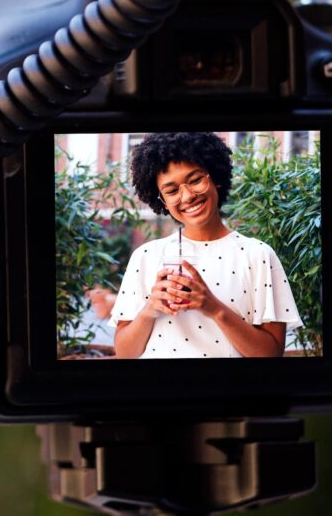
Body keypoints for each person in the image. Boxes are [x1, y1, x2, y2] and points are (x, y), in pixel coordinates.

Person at [106, 132, 301, 360]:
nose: (187, 196)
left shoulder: (258, 255)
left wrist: (214, 308)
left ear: (215, 177)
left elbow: (270, 354)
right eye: (171, 190)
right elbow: (124, 354)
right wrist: (149, 310)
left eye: (196, 180)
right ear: (161, 201)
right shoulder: (145, 257)